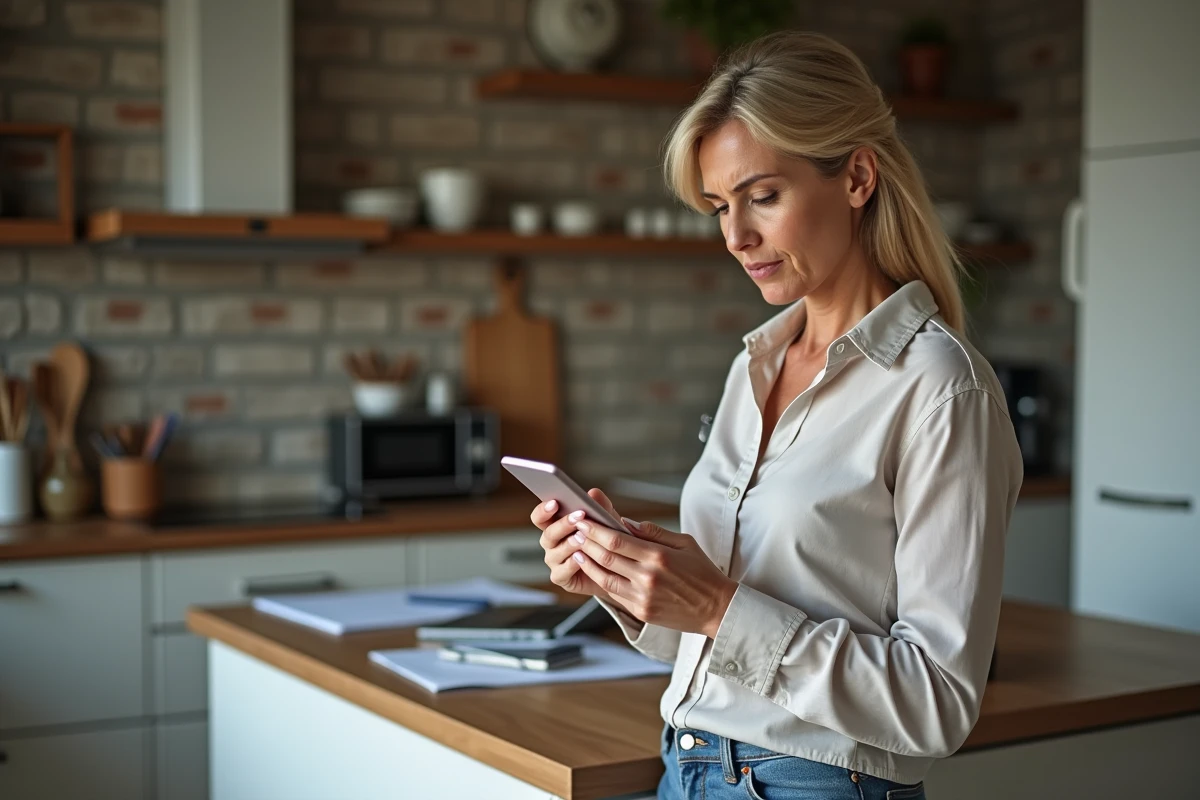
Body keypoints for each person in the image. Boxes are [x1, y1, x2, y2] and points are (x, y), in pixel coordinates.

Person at [531, 30, 1023, 800]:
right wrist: (624, 577)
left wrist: (718, 606)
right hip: (688, 765)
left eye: (763, 196)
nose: (735, 236)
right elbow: (706, 632)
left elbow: (938, 704)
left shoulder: (942, 390)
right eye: (720, 206)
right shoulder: (756, 364)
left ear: (858, 175)